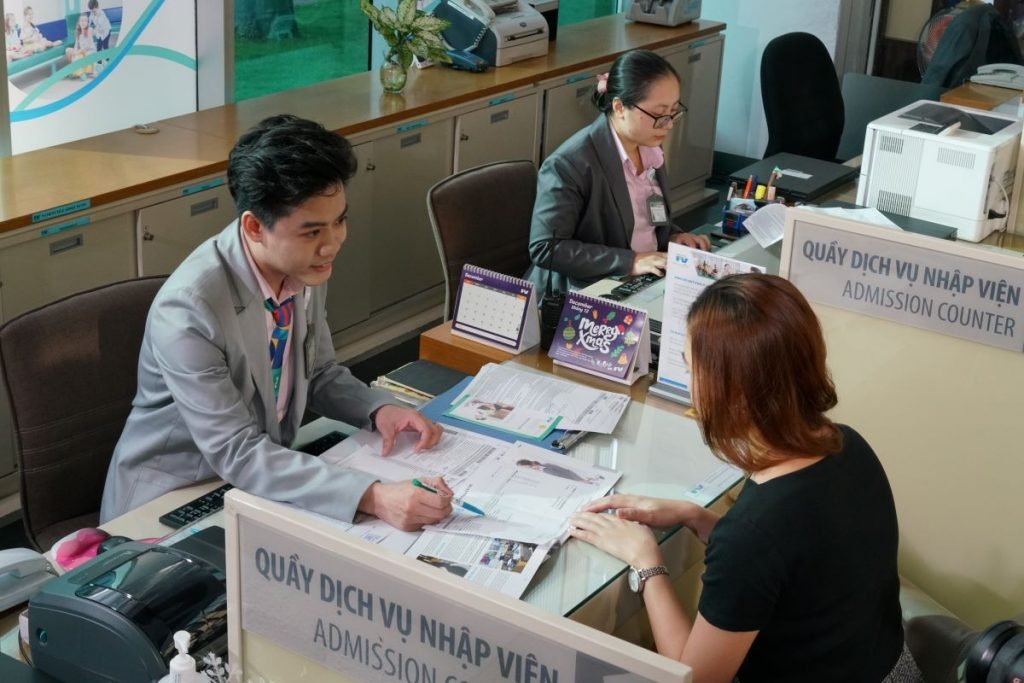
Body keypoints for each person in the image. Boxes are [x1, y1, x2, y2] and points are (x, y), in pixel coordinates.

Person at [101, 115, 454, 532]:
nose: (332, 244)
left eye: (339, 221)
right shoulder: (189, 309)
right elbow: (235, 450)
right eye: (312, 231)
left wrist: (379, 409)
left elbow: (318, 373)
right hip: (176, 501)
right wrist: (372, 496)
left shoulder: (302, 266)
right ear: (254, 227)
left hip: (263, 473)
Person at [569, 273, 916, 682]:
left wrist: (647, 563)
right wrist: (695, 516)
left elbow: (696, 679)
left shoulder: (753, 534)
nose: (690, 385)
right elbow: (792, 558)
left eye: (690, 368)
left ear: (731, 390)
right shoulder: (848, 445)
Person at [525, 49, 710, 294]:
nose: (668, 124)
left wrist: (672, 238)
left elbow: (640, 220)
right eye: (658, 114)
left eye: (673, 111)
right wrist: (631, 261)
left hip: (643, 277)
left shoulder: (649, 146)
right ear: (620, 107)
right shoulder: (569, 164)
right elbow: (546, 248)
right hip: (586, 290)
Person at [64, 13, 94, 80]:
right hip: (81, 50)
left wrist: (78, 52)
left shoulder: (90, 29)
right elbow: (76, 44)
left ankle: (88, 71)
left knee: (80, 53)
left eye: (85, 21)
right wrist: (75, 51)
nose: (83, 23)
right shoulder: (77, 31)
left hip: (89, 50)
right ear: (79, 22)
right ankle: (73, 69)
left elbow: (87, 45)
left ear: (87, 22)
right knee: (68, 50)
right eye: (82, 21)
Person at [87, 0, 111, 67]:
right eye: (91, 9)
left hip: (106, 31)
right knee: (99, 46)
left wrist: (93, 31)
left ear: (97, 7)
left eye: (94, 9)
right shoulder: (92, 13)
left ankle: (108, 59)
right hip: (99, 32)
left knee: (105, 46)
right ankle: (99, 61)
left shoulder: (101, 13)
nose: (93, 11)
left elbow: (100, 26)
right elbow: (90, 20)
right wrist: (87, 26)